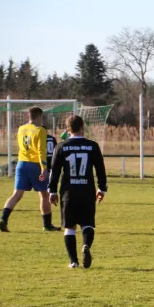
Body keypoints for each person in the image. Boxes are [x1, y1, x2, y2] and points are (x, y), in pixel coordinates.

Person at [48, 115, 107, 269]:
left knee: (69, 228)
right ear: (83, 127)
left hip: (69, 193)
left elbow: (54, 172)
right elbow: (100, 169)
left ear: (68, 130)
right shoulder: (93, 146)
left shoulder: (61, 146)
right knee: (87, 224)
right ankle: (86, 245)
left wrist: (52, 191)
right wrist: (102, 188)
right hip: (87, 191)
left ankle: (73, 262)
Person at [0, 107, 61, 232]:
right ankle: (47, 225)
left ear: (29, 116)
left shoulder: (21, 128)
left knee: (16, 194)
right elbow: (41, 150)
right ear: (39, 117)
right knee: (44, 194)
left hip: (21, 164)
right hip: (35, 164)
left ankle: (3, 219)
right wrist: (44, 168)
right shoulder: (40, 130)